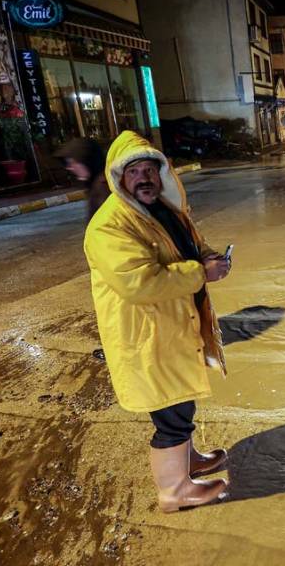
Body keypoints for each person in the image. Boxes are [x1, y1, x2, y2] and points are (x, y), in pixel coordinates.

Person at [84, 130, 231, 512]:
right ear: (120, 178)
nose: (145, 177)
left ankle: (188, 460)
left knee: (180, 402)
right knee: (170, 417)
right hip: (149, 337)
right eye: (135, 171)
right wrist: (201, 272)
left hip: (174, 329)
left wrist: (212, 257)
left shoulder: (163, 209)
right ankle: (174, 491)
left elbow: (191, 245)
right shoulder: (109, 226)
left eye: (151, 169)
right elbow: (140, 283)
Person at [54, 137, 110, 220]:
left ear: (87, 161)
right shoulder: (95, 185)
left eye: (73, 163)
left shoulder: (103, 188)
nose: (70, 168)